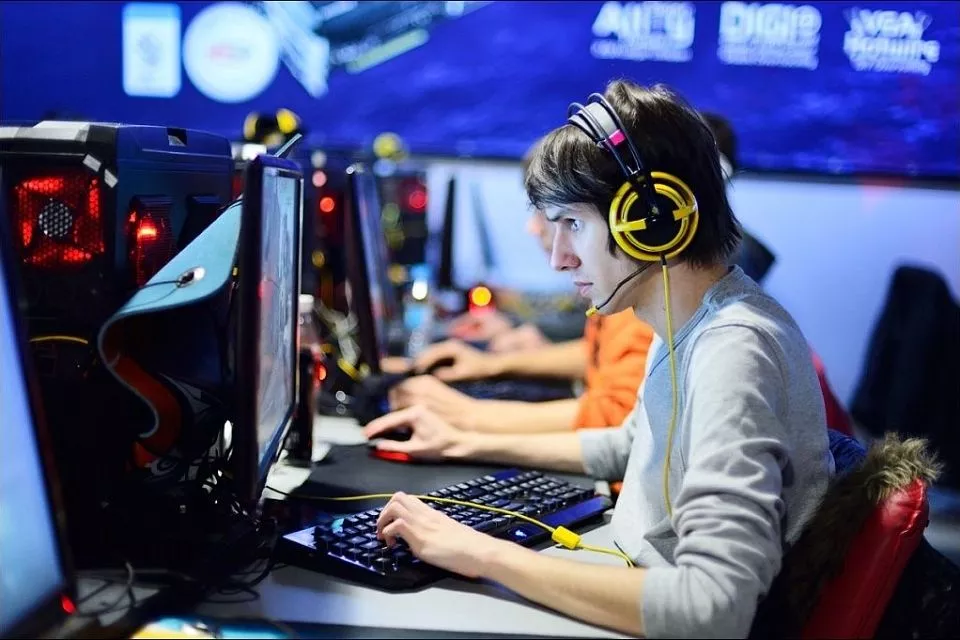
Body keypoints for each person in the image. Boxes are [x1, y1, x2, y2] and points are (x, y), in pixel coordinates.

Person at [364, 80, 833, 638]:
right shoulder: (683, 317)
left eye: (573, 224)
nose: (559, 258)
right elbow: (630, 445)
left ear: (652, 218)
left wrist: (483, 553)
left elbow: (712, 608)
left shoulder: (733, 349)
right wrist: (459, 442)